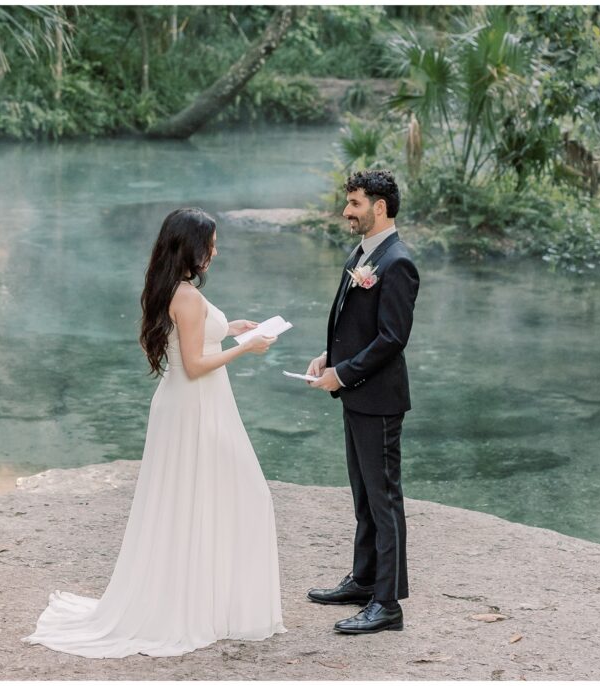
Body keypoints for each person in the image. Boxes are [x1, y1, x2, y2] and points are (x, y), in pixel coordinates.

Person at [23, 207, 286, 658]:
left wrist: (233, 329)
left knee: (208, 498)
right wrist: (246, 349)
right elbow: (196, 363)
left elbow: (197, 340)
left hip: (196, 404)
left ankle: (210, 604)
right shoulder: (185, 295)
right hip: (194, 407)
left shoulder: (178, 289)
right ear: (191, 247)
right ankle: (196, 607)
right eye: (212, 244)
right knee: (235, 495)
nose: (216, 251)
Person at [305, 169, 419, 634]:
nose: (346, 211)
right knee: (364, 498)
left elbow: (392, 339)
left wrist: (342, 374)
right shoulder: (364, 252)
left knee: (384, 499)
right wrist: (331, 357)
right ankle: (365, 578)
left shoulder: (398, 262)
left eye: (353, 203)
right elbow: (358, 327)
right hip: (357, 396)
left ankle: (387, 604)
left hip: (379, 400)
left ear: (379, 207)